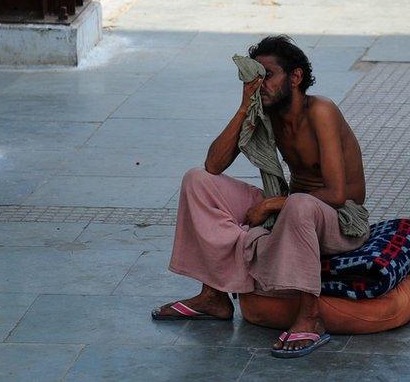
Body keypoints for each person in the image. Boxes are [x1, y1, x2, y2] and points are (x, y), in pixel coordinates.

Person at [152, 35, 369, 358]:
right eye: (256, 76)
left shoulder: (321, 111)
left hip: (339, 219)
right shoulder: (267, 113)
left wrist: (272, 203)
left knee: (299, 203)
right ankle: (213, 295)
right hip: (294, 206)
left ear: (295, 77)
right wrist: (244, 106)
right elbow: (214, 164)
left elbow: (338, 194)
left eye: (267, 76)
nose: (260, 84)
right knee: (197, 180)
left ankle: (310, 317)